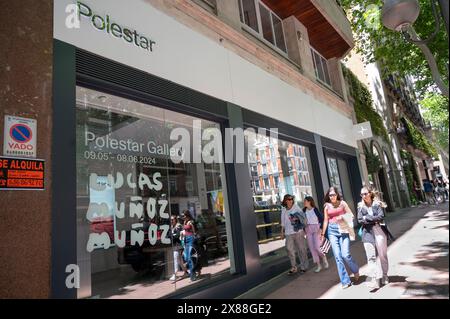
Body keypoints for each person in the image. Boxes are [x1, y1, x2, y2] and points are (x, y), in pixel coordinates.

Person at [321, 187, 359, 289]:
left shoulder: (343, 203)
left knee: (345, 254)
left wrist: (342, 217)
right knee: (338, 256)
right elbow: (325, 220)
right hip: (332, 231)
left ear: (337, 195)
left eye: (333, 194)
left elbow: (351, 215)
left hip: (343, 230)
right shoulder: (326, 206)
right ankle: (345, 281)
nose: (332, 196)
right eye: (330, 195)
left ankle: (355, 270)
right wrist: (322, 234)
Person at [357, 186, 392, 289]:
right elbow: (360, 219)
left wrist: (367, 218)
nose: (364, 196)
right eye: (362, 194)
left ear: (370, 193)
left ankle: (385, 275)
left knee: (382, 255)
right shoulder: (360, 206)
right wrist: (373, 219)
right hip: (367, 232)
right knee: (371, 257)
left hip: (379, 231)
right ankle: (374, 279)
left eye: (365, 193)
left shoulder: (377, 204)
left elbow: (381, 216)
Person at [280, 194, 309, 275]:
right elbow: (283, 222)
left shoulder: (296, 207)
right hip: (288, 233)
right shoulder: (283, 209)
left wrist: (296, 218)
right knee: (289, 249)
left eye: (291, 199)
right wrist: (282, 232)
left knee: (301, 249)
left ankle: (304, 266)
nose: (290, 201)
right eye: (288, 199)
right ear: (285, 200)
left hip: (298, 231)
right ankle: (294, 267)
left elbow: (302, 217)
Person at [303, 196, 329, 273]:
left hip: (317, 228)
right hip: (308, 229)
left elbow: (322, 219)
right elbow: (302, 221)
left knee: (317, 247)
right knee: (312, 248)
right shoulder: (303, 211)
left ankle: (324, 257)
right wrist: (304, 231)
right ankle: (318, 265)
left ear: (310, 202)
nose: (304, 202)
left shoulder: (315, 209)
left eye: (305, 201)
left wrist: (321, 229)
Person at [169, 214, 188, 281]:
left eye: (172, 220)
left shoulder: (178, 226)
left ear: (175, 220)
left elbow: (177, 235)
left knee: (175, 258)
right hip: (174, 245)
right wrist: (172, 236)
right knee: (180, 261)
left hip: (178, 245)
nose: (171, 221)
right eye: (170, 220)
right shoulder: (171, 226)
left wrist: (172, 236)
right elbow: (169, 235)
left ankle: (175, 274)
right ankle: (186, 272)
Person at [181, 210, 198, 282]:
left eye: (184, 216)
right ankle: (193, 273)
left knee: (189, 257)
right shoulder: (184, 222)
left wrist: (193, 238)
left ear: (187, 215)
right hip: (186, 240)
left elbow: (194, 232)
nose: (183, 217)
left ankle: (192, 276)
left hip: (190, 239)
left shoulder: (191, 222)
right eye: (183, 216)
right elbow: (184, 231)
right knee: (186, 257)